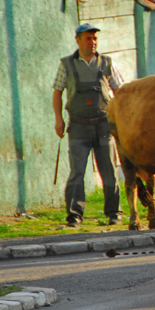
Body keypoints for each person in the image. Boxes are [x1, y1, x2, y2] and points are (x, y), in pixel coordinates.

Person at [53, 23, 123, 227]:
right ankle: (74, 217)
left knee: (109, 171)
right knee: (77, 173)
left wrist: (122, 120)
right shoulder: (66, 64)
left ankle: (114, 214)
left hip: (103, 126)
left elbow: (120, 92)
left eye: (94, 38)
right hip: (78, 128)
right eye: (88, 38)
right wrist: (59, 119)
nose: (92, 42)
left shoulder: (107, 63)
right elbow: (57, 92)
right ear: (78, 40)